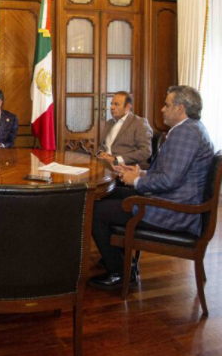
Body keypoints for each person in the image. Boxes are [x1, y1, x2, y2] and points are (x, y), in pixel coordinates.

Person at [89, 86, 214, 289]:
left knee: (95, 210)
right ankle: (119, 259)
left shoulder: (186, 133)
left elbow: (169, 181)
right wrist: (140, 174)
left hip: (174, 211)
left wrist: (136, 181)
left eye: (167, 104)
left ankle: (120, 271)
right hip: (170, 199)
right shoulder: (192, 129)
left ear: (180, 108)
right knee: (106, 194)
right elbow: (171, 174)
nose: (162, 109)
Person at [97, 91, 153, 167]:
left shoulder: (139, 123)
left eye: (116, 104)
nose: (111, 107)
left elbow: (145, 151)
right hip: (104, 165)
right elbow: (102, 145)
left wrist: (116, 159)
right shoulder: (109, 123)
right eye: (111, 104)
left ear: (127, 107)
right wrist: (100, 153)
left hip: (125, 168)